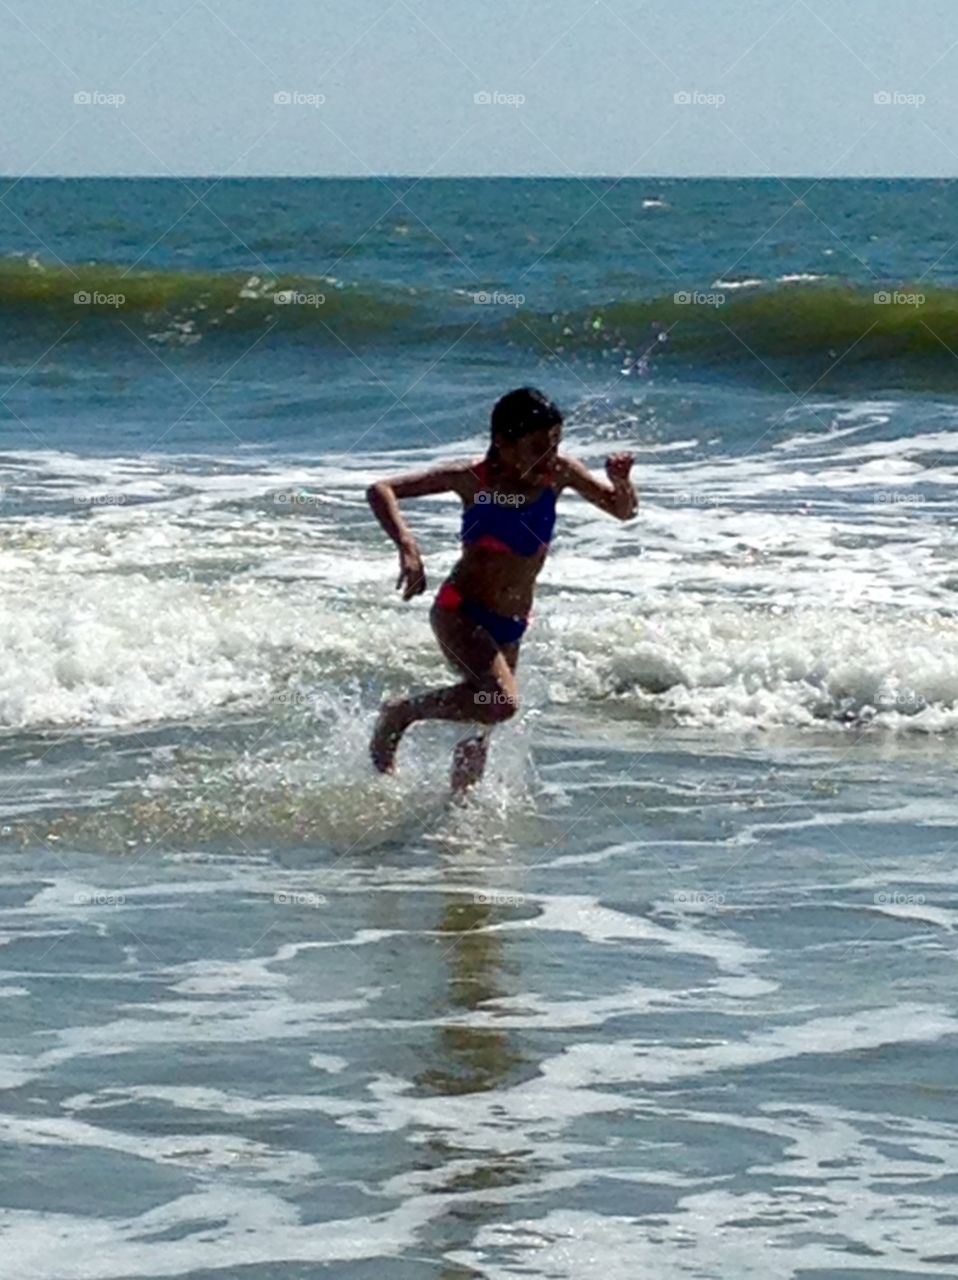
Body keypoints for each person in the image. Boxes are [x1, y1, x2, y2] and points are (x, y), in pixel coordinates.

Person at [366, 387, 637, 791]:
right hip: (462, 611)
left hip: (511, 622)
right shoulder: (474, 480)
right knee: (500, 703)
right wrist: (408, 546)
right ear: (502, 443)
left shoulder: (559, 474)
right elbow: (382, 489)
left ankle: (458, 815)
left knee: (481, 726)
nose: (549, 458)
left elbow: (622, 511)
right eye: (537, 448)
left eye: (555, 445)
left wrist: (621, 483)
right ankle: (402, 712)